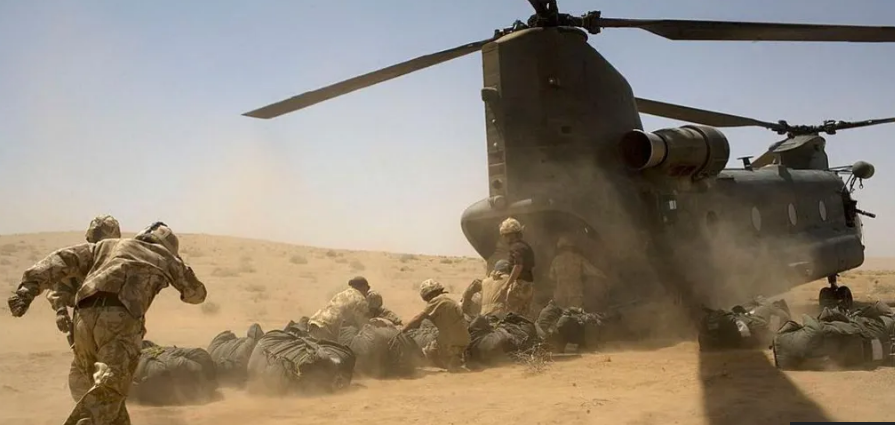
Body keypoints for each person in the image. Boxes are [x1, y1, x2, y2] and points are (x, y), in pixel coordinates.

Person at [6, 221, 206, 425]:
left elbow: (63, 259)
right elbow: (196, 294)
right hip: (119, 322)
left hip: (82, 320)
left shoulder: (107, 246)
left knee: (108, 399)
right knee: (109, 392)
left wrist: (28, 289)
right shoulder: (165, 257)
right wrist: (178, 265)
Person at [47, 215, 123, 402]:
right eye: (96, 238)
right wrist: (60, 311)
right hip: (86, 328)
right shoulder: (80, 259)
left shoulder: (122, 260)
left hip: (114, 328)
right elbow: (59, 288)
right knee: (81, 377)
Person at [402, 279, 470, 372]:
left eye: (427, 298)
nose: (428, 300)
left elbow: (419, 318)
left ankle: (451, 361)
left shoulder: (437, 300)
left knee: (428, 352)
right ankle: (455, 359)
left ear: (430, 294)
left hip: (449, 340)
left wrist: (404, 330)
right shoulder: (449, 300)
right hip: (464, 339)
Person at [548, 236, 607, 310]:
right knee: (575, 314)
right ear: (572, 247)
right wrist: (604, 275)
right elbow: (592, 270)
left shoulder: (556, 260)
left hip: (561, 294)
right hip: (575, 293)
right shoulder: (578, 258)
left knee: (561, 314)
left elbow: (551, 277)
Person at [308, 276, 372, 341]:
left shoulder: (340, 294)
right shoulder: (360, 299)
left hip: (314, 324)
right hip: (327, 332)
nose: (366, 294)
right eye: (366, 291)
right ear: (364, 288)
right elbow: (365, 327)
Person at [500, 217, 536, 318]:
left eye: (505, 235)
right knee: (524, 317)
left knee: (512, 317)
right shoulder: (525, 246)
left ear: (511, 235)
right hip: (529, 285)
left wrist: (506, 285)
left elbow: (518, 266)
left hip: (519, 286)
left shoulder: (515, 247)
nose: (504, 238)